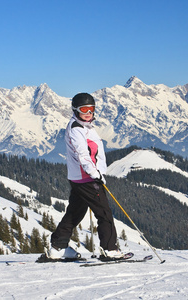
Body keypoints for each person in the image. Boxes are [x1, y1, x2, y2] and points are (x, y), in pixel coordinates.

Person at [48, 92, 123, 260]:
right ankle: (110, 248)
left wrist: (98, 171)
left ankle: (58, 247)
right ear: (75, 110)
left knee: (75, 212)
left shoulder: (84, 126)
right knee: (104, 213)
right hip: (87, 178)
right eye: (84, 109)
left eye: (92, 109)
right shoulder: (76, 129)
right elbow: (83, 155)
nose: (89, 113)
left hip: (79, 178)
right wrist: (95, 174)